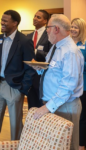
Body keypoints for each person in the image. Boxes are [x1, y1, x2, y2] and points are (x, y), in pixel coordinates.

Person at [32, 14, 84, 150]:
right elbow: (54, 72)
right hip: (55, 103)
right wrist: (40, 68)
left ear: (56, 28)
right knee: (55, 145)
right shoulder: (56, 47)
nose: (46, 31)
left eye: (48, 27)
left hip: (65, 106)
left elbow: (68, 85)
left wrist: (48, 107)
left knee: (67, 145)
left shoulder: (70, 51)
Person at [0, 10, 35, 140]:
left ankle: (17, 146)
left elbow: (30, 67)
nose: (2, 23)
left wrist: (22, 89)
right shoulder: (0, 38)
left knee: (15, 124)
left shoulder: (25, 41)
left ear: (15, 23)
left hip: (14, 87)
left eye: (5, 20)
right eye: (2, 20)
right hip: (0, 83)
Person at [70, 18, 86, 150]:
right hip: (68, 87)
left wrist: (77, 62)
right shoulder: (65, 43)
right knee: (69, 116)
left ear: (81, 29)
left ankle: (81, 145)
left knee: (81, 117)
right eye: (72, 27)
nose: (73, 29)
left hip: (83, 86)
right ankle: (69, 142)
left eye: (76, 27)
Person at [27, 10, 52, 109]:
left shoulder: (49, 35)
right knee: (31, 106)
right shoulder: (28, 36)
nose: (35, 18)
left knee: (41, 106)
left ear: (45, 21)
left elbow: (51, 55)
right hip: (29, 76)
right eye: (34, 16)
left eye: (38, 17)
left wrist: (37, 52)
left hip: (42, 76)